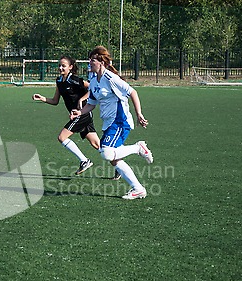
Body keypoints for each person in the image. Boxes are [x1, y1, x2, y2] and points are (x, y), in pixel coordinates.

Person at [71, 46, 153, 200]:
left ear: (101, 62)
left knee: (106, 152)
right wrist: (79, 112)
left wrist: (139, 114)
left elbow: (132, 92)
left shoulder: (111, 78)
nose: (90, 63)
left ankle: (138, 148)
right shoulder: (94, 81)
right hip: (108, 123)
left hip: (120, 121)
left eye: (92, 60)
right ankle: (138, 189)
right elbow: (92, 104)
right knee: (115, 159)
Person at [32, 55, 99, 175]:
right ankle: (118, 165)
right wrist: (42, 98)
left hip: (82, 114)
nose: (60, 68)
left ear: (70, 67)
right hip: (79, 115)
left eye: (64, 65)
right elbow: (55, 101)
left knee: (62, 137)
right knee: (96, 144)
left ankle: (84, 161)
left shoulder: (74, 79)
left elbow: (93, 88)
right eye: (59, 65)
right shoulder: (59, 81)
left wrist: (81, 100)